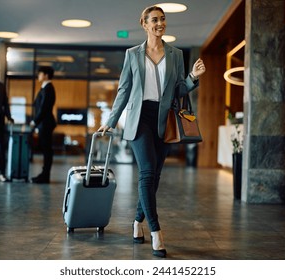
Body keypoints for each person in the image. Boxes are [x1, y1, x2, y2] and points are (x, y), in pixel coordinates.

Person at [98, 5, 206, 258]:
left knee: (155, 176)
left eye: (163, 19)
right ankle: (156, 231)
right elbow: (124, 90)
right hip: (140, 119)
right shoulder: (132, 54)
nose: (160, 23)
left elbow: (179, 89)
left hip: (165, 119)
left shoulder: (176, 54)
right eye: (154, 20)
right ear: (144, 24)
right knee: (146, 172)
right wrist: (112, 120)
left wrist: (192, 77)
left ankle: (137, 221)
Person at [30, 66, 56, 184]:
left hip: (45, 124)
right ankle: (44, 175)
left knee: (47, 150)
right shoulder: (45, 88)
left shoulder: (48, 88)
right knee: (46, 150)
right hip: (43, 124)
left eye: (40, 73)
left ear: (45, 75)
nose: (38, 75)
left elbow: (43, 108)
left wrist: (34, 121)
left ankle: (45, 176)